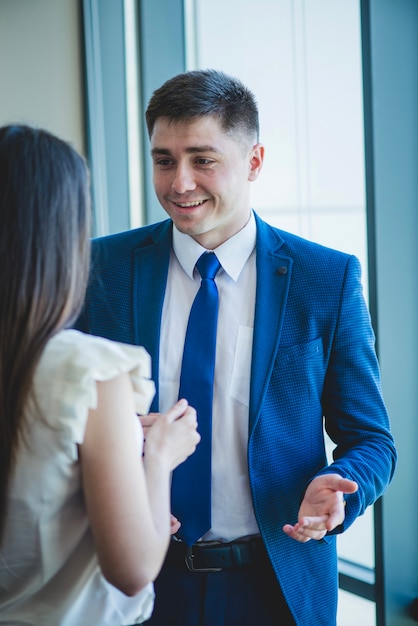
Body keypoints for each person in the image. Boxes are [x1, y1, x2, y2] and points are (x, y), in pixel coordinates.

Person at [75, 69, 397, 626]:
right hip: (138, 579)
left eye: (202, 159)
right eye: (163, 160)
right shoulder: (102, 270)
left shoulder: (327, 278)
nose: (179, 183)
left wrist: (343, 488)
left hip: (275, 583)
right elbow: (63, 418)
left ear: (253, 161)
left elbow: (372, 439)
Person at [0, 124, 200, 626]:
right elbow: (131, 569)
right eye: (163, 161)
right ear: (63, 233)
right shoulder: (87, 370)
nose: (180, 184)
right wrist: (158, 458)